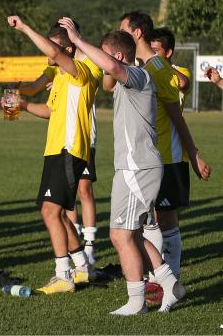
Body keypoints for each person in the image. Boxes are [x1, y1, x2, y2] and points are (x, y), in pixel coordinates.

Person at [59, 19, 186, 314]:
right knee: (134, 234)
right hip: (135, 168)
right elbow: (106, 72)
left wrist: (78, 39)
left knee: (119, 235)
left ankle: (136, 301)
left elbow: (114, 69)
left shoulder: (137, 76)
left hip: (136, 169)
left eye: (105, 54)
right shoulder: (126, 78)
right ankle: (169, 283)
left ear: (117, 56)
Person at [4, 15, 98, 294]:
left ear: (68, 49)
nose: (47, 53)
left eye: (51, 47)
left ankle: (63, 275)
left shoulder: (84, 68)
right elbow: (49, 111)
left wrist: (23, 27)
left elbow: (55, 53)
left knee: (50, 210)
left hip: (69, 149)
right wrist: (22, 103)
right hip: (56, 149)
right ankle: (81, 266)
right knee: (55, 212)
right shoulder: (59, 76)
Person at [117, 12, 210, 281]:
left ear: (136, 33)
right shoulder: (140, 68)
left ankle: (171, 278)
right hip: (143, 158)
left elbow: (177, 115)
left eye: (122, 28)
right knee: (145, 220)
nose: (118, 31)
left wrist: (194, 156)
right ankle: (157, 275)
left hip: (167, 157)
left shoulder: (160, 69)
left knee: (166, 221)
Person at [148, 27, 192, 106]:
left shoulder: (182, 71)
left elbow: (183, 83)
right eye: (149, 50)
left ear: (168, 53)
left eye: (155, 51)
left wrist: (157, 63)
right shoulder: (147, 69)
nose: (151, 54)